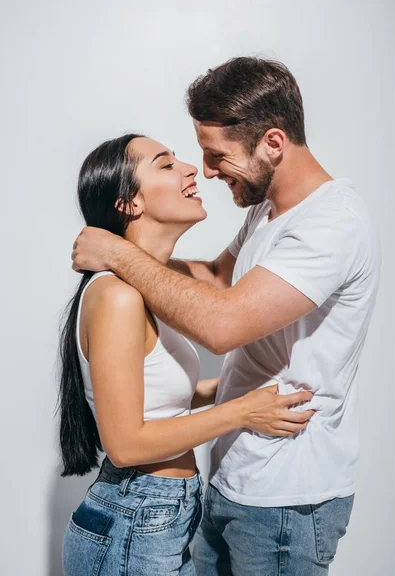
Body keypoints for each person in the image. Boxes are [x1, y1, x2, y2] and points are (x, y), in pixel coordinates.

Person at [71, 57, 381, 575]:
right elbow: (216, 279)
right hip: (226, 482)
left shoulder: (332, 224)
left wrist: (121, 253)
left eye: (217, 156)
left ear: (273, 144)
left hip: (286, 492)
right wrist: (125, 254)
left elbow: (221, 325)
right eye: (182, 160)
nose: (206, 170)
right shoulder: (267, 208)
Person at [59, 133, 313, 576]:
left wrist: (221, 389)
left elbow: (152, 398)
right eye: (165, 164)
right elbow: (125, 445)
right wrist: (242, 412)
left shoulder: (137, 288)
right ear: (128, 203)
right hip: (134, 520)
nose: (191, 168)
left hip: (154, 516)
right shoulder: (118, 297)